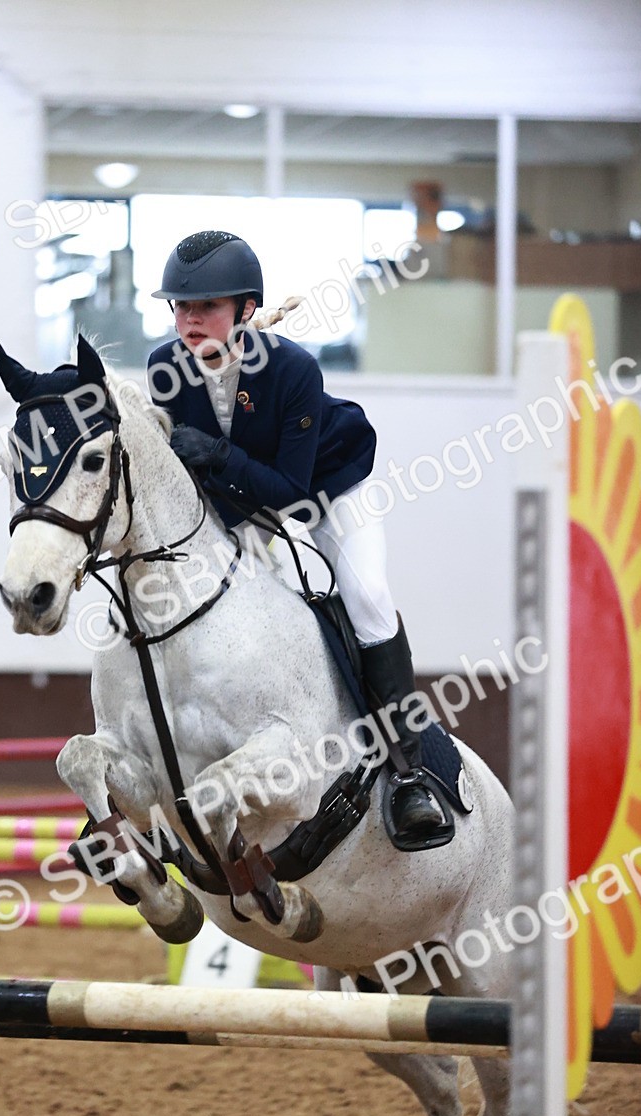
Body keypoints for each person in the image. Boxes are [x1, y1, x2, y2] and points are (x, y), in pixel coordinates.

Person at [146, 230, 446, 849]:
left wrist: (217, 453)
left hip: (328, 489)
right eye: (181, 307)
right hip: (240, 502)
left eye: (207, 307)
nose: (190, 319)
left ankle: (410, 773)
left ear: (247, 311)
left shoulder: (291, 369)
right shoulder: (164, 369)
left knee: (366, 597)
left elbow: (290, 495)